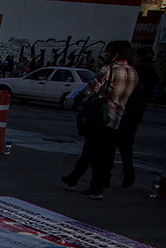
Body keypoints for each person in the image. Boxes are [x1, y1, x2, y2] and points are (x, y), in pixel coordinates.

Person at [61, 40, 139, 199]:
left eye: (109, 53)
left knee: (96, 153)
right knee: (92, 151)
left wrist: (79, 97)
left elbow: (91, 89)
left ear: (114, 54)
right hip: (117, 119)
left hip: (100, 117)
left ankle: (96, 188)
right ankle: (72, 179)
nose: (107, 56)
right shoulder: (133, 73)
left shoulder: (108, 69)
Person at [114, 47, 157, 188]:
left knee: (112, 141)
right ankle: (128, 172)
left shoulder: (134, 72)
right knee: (126, 145)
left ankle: (106, 175)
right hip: (137, 114)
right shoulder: (152, 73)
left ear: (138, 57)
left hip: (125, 111)